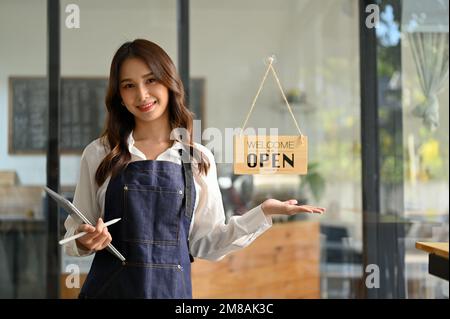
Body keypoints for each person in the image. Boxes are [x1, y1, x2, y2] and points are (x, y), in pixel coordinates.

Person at [63, 39, 325, 299]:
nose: (142, 94)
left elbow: (207, 243)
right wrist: (84, 240)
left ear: (169, 82)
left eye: (151, 80)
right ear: (119, 96)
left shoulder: (197, 158)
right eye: (129, 85)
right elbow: (76, 229)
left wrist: (263, 212)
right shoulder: (99, 154)